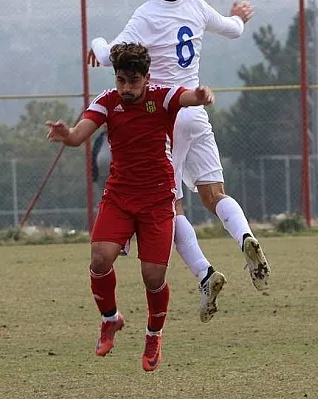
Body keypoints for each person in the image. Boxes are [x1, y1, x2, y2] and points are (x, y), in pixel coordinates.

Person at [88, 0, 271, 321]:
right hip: (195, 108)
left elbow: (107, 56)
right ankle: (245, 236)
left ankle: (204, 273)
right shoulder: (197, 7)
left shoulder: (147, 13)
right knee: (215, 193)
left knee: (170, 207)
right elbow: (234, 30)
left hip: (163, 113)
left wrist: (95, 43)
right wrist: (239, 18)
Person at [46, 42, 214, 372]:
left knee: (153, 277)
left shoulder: (162, 97)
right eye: (121, 80)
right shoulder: (108, 101)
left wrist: (202, 95)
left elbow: (186, 97)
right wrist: (67, 135)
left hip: (157, 201)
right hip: (120, 198)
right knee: (99, 257)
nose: (126, 88)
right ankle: (110, 319)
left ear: (146, 79)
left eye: (133, 82)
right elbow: (80, 135)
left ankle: (154, 335)